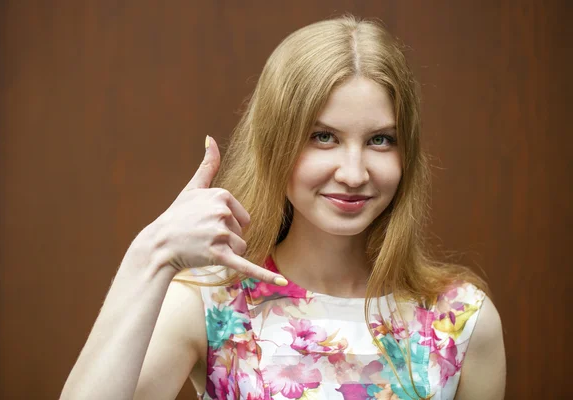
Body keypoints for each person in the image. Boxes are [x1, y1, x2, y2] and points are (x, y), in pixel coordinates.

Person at [61, 15, 506, 400]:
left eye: (379, 140)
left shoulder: (463, 321)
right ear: (275, 143)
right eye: (323, 136)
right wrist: (153, 252)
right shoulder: (212, 306)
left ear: (407, 154)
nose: (353, 173)